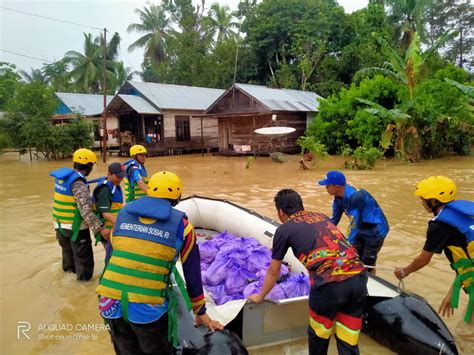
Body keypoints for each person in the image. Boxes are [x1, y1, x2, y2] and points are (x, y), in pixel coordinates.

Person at [95, 171, 223, 354]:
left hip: (108, 301)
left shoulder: (123, 215)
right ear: (177, 197)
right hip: (146, 308)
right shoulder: (183, 226)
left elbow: (110, 257)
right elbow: (192, 272)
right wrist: (200, 311)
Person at [248, 189, 367, 355]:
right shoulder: (322, 217)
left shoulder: (284, 230)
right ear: (301, 205)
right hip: (359, 278)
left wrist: (260, 296)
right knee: (348, 337)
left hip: (328, 286)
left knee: (319, 335)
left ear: (281, 212)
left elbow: (273, 271)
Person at [394, 176, 473, 353]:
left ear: (434, 201)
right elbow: (467, 260)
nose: (421, 203)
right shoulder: (466, 215)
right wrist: (453, 291)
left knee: (465, 335)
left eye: (423, 199)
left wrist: (404, 272)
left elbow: (423, 259)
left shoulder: (440, 226)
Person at [50, 148, 110, 281]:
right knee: (84, 263)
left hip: (59, 226)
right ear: (88, 166)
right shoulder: (78, 183)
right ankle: (82, 290)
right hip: (75, 228)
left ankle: (68, 284)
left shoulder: (63, 178)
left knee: (68, 258)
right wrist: (100, 228)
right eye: (92, 166)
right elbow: (85, 210)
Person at [318, 170, 389, 271]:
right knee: (352, 256)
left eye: (328, 185)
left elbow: (353, 224)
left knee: (367, 261)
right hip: (360, 227)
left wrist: (347, 245)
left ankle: (370, 278)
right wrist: (321, 234)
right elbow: (333, 220)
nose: (325, 188)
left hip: (375, 231)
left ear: (337, 187)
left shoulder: (355, 197)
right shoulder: (338, 197)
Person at [92, 162, 125, 263]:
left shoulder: (114, 185)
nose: (120, 179)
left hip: (113, 227)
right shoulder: (105, 190)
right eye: (118, 176)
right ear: (109, 174)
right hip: (107, 229)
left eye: (122, 176)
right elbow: (105, 213)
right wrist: (122, 225)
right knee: (113, 257)